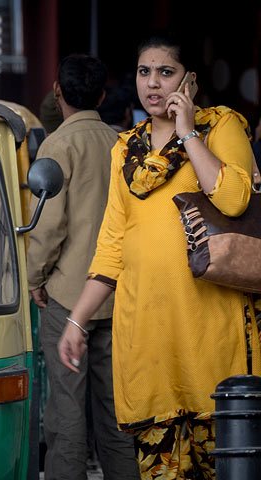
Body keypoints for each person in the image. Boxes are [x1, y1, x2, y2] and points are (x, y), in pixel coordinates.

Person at [58, 31, 259, 479]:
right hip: (147, 338)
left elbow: (234, 200)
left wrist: (188, 132)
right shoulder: (124, 148)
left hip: (210, 335)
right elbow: (112, 245)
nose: (153, 83)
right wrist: (76, 322)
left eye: (165, 72)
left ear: (189, 81)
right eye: (145, 72)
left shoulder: (220, 125)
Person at [27, 53, 139, 480]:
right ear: (103, 94)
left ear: (58, 92)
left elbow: (49, 225)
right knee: (116, 414)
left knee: (66, 415)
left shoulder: (58, 145)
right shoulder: (122, 144)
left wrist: (35, 278)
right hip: (117, 293)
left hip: (68, 296)